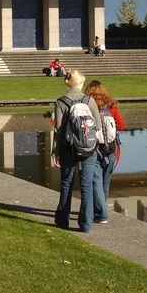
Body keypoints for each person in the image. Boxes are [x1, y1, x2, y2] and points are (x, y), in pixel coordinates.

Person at [52, 69, 104, 233]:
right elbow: (98, 126)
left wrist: (55, 152)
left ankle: (62, 220)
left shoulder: (61, 102)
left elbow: (58, 130)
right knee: (86, 185)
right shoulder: (89, 100)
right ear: (80, 84)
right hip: (88, 149)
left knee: (66, 183)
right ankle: (86, 224)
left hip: (68, 148)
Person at [84, 80, 126, 224]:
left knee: (95, 181)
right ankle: (101, 209)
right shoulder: (112, 107)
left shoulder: (87, 107)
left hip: (93, 149)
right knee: (105, 182)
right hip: (111, 150)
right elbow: (121, 126)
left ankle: (101, 214)